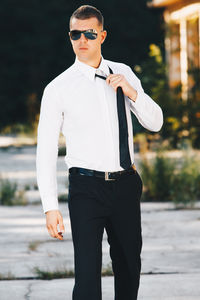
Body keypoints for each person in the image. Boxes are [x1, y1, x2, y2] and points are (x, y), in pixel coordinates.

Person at [36, 4, 163, 300]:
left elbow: (155, 122)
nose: (82, 40)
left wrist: (133, 92)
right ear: (70, 37)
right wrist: (49, 206)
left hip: (126, 185)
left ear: (102, 35)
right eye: (75, 34)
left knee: (129, 268)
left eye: (89, 33)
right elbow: (45, 150)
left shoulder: (124, 72)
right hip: (86, 188)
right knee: (87, 279)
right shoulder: (58, 88)